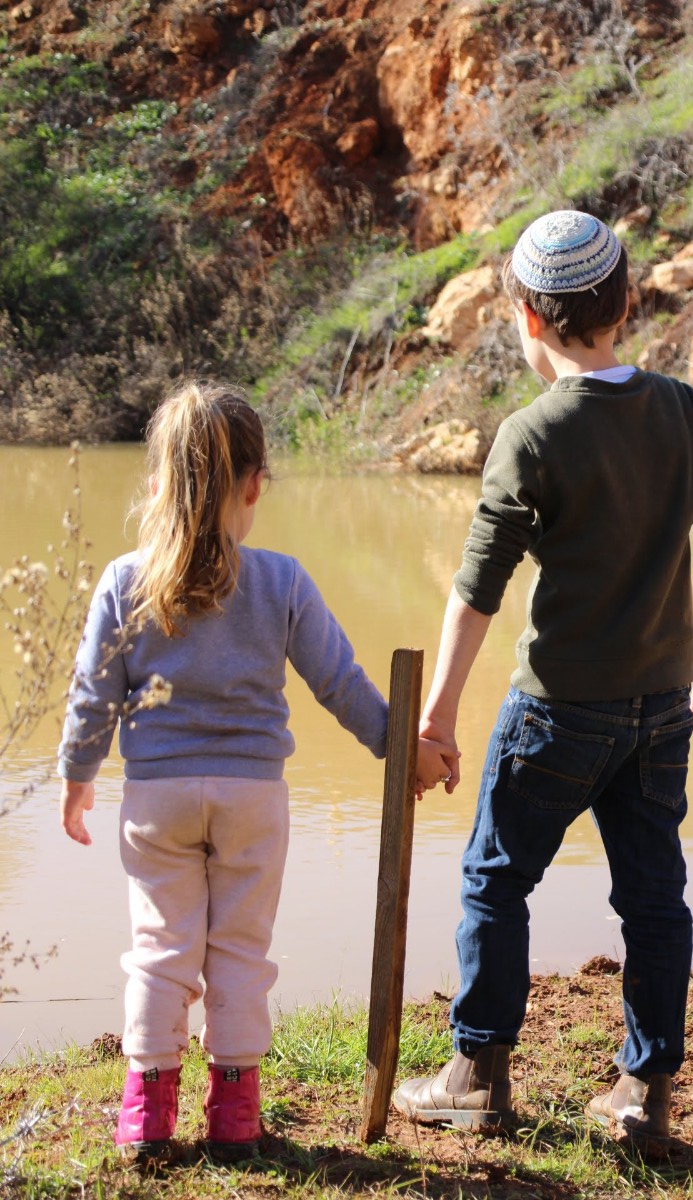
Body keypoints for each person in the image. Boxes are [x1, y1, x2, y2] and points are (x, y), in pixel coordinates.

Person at [392, 210, 693, 1154]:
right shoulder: (683, 410)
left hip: (555, 713)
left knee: (493, 882)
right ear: (628, 302)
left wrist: (436, 721)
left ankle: (476, 1074)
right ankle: (645, 1093)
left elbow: (476, 593)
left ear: (527, 318)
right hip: (662, 709)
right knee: (654, 897)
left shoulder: (532, 433)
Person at [58, 381, 452, 1167]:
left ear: (160, 483)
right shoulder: (282, 581)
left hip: (157, 797)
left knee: (160, 948)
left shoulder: (125, 581)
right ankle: (235, 1115)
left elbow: (92, 693)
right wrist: (402, 750)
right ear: (253, 483)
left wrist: (78, 776)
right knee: (240, 949)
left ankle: (146, 1113)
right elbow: (340, 684)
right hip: (252, 798)